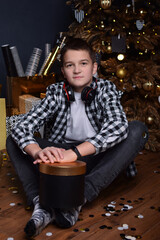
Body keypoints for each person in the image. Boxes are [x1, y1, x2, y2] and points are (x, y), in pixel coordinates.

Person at [6, 38, 148, 237]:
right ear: (63, 71)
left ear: (94, 68)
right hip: (62, 159)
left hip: (95, 156)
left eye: (83, 63)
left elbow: (118, 125)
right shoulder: (56, 92)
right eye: (69, 65)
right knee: (13, 139)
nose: (77, 70)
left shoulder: (105, 89)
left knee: (137, 129)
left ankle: (77, 199)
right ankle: (41, 204)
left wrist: (74, 153)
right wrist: (39, 151)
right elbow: (21, 127)